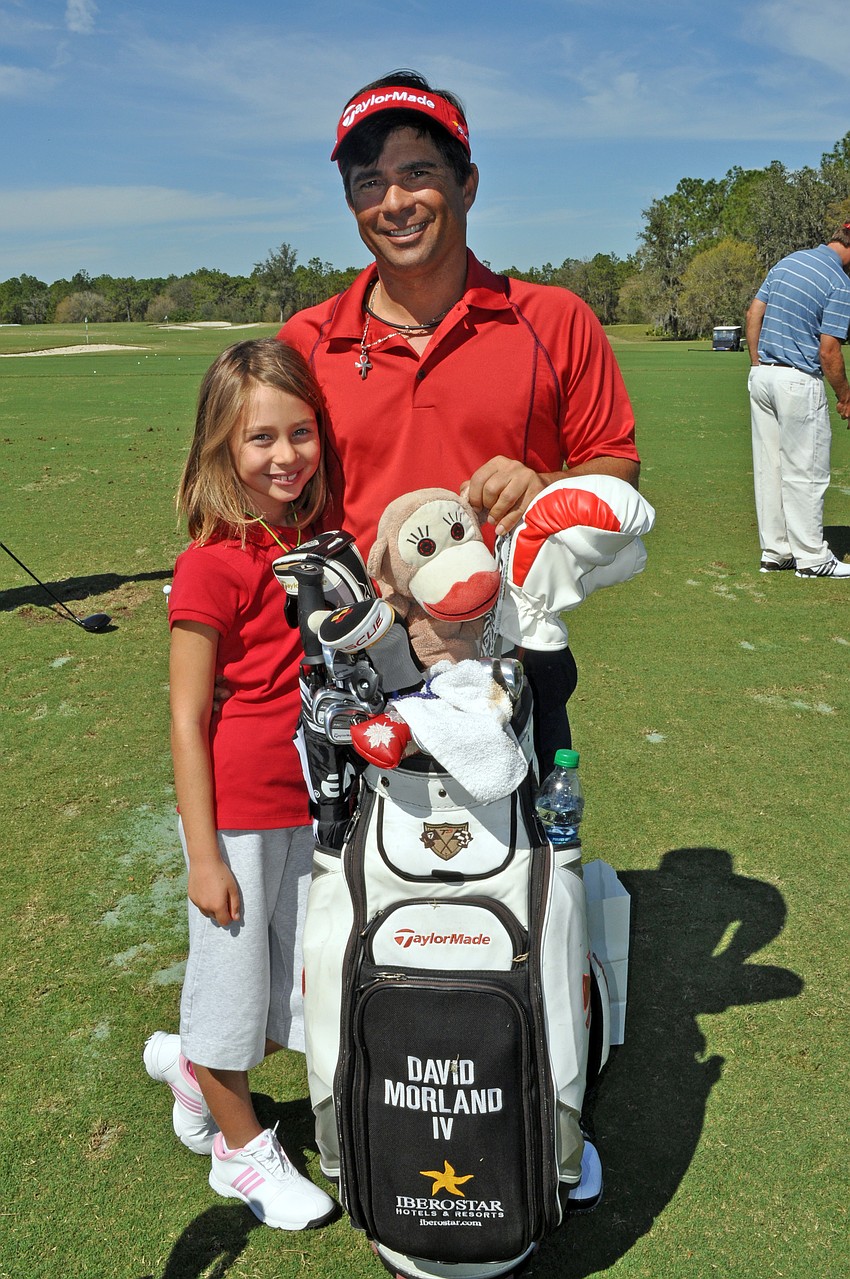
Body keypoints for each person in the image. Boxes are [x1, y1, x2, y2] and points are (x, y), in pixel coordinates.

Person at [279, 69, 640, 773]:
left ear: (467, 184)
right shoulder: (307, 339)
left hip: (511, 659)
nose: (394, 202)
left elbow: (617, 468)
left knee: (520, 878)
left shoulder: (553, 320)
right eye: (368, 182)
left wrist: (544, 483)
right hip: (357, 660)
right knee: (366, 880)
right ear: (350, 201)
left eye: (417, 172)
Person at [143, 338, 335, 1232]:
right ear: (221, 445)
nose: (285, 455)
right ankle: (241, 1151)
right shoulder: (211, 562)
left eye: (301, 433)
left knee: (272, 1002)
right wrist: (204, 853)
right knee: (230, 996)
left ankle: (191, 1067)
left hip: (311, 807)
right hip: (239, 821)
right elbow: (187, 717)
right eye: (260, 438)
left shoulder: (314, 543)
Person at [746, 226, 850, 578]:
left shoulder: (788, 261)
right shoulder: (838, 282)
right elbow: (829, 350)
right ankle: (812, 558)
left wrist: (757, 365)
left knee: (769, 468)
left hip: (762, 375)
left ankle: (776, 551)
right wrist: (845, 396)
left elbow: (753, 315)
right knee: (806, 469)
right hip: (798, 380)